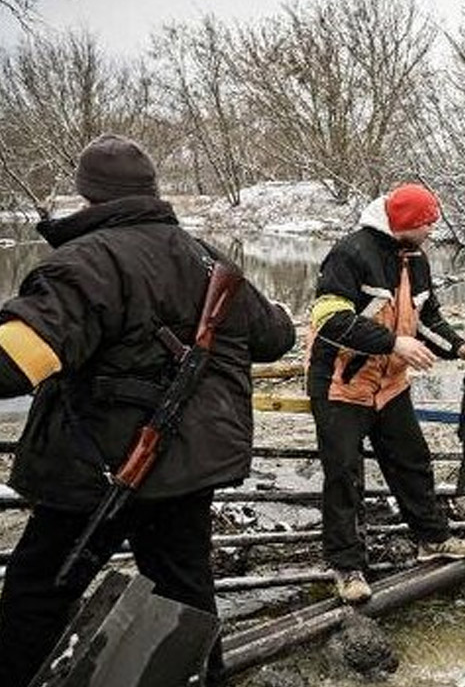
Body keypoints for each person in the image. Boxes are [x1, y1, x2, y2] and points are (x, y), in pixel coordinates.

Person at [0, 134, 296, 686]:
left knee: (38, 592)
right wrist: (274, 308)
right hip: (185, 469)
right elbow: (275, 336)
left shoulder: (85, 262)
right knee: (184, 591)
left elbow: (16, 360)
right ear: (151, 191)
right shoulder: (205, 256)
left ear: (87, 196)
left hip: (96, 469)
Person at [308, 183, 465, 605]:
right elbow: (328, 320)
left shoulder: (416, 259)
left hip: (389, 385)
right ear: (405, 223)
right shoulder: (349, 253)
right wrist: (393, 344)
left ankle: (432, 539)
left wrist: (458, 347)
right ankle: (347, 567)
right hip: (342, 384)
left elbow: (426, 319)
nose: (432, 230)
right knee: (343, 476)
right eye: (427, 223)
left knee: (412, 461)